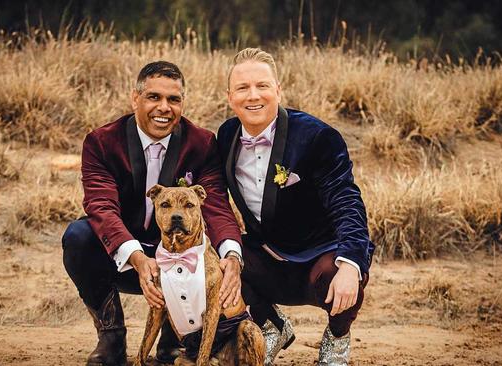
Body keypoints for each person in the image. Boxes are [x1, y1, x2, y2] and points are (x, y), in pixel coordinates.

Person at [62, 61, 244, 366]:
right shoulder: (102, 142)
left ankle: (175, 342)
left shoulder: (201, 143)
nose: (164, 108)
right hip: (129, 258)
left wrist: (233, 256)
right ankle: (112, 338)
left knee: (226, 250)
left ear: (183, 103)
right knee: (79, 236)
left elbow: (215, 206)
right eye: (154, 97)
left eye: (174, 100)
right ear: (136, 99)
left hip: (183, 258)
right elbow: (101, 206)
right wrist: (136, 257)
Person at [217, 48, 374, 366]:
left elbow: (346, 200)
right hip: (270, 258)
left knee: (339, 271)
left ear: (278, 89)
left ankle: (337, 339)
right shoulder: (226, 136)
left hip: (321, 258)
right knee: (218, 259)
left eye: (262, 85)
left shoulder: (317, 137)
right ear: (229, 96)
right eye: (243, 88)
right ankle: (271, 328)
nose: (253, 96)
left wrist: (351, 265)